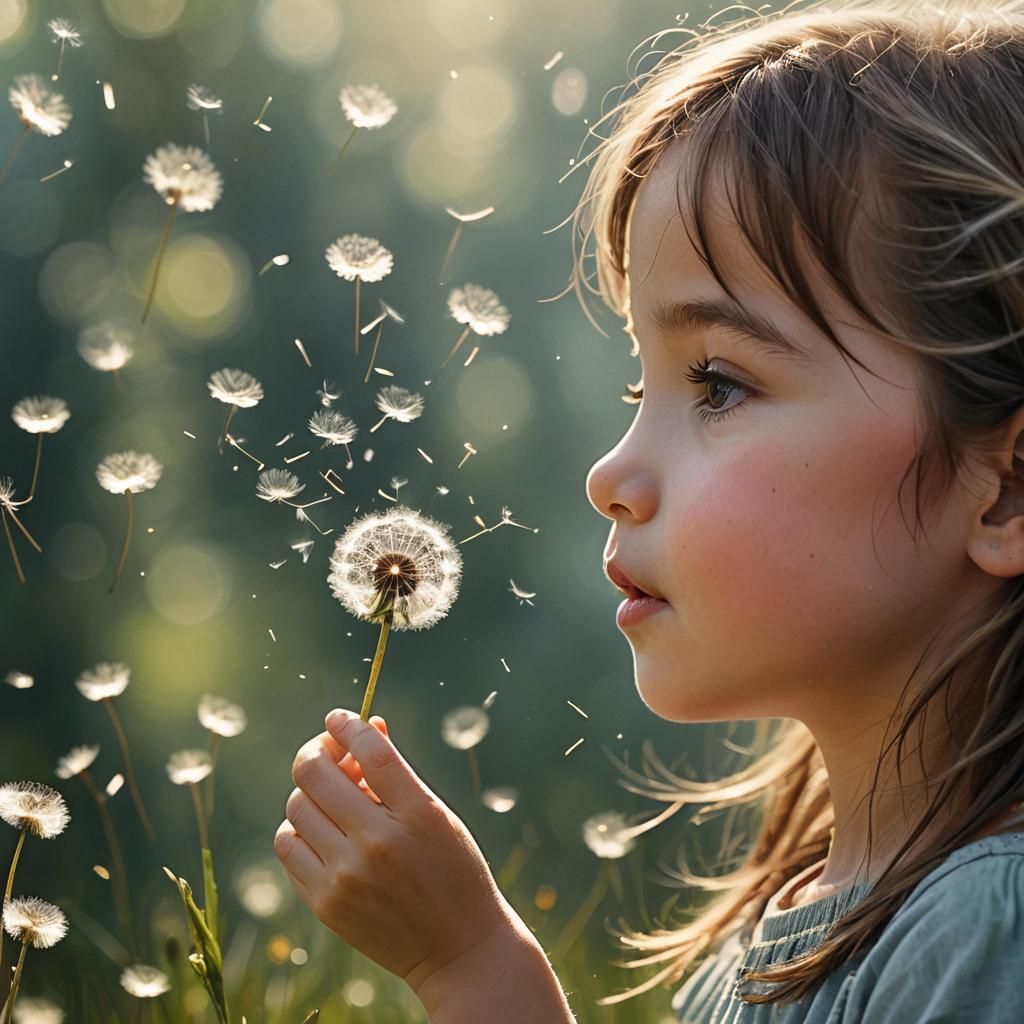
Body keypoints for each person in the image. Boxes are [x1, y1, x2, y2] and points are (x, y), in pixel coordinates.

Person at [274, 1, 1024, 1019]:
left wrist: (476, 974)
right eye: (642, 390)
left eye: (717, 382)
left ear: (1006, 487)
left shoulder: (986, 933)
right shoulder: (766, 942)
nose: (610, 471)